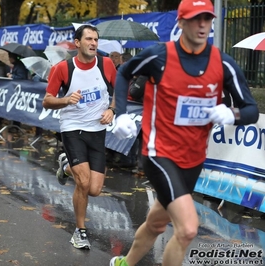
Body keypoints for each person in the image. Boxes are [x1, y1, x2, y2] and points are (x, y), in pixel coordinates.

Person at [109, 1, 259, 266]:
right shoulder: (160, 56)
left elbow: (251, 110)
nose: (202, 24)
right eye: (195, 18)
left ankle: (124, 263)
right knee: (188, 228)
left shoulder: (224, 64)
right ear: (181, 22)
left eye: (207, 19)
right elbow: (123, 72)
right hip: (159, 153)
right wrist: (120, 113)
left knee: (157, 222)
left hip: (193, 159)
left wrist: (232, 115)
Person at [42, 24, 117, 250]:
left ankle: (66, 167)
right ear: (77, 43)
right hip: (73, 128)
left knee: (94, 190)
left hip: (97, 131)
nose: (93, 43)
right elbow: (47, 100)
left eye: (96, 40)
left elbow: (119, 92)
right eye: (89, 39)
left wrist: (112, 110)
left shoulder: (107, 64)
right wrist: (66, 100)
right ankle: (80, 232)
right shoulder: (63, 68)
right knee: (83, 183)